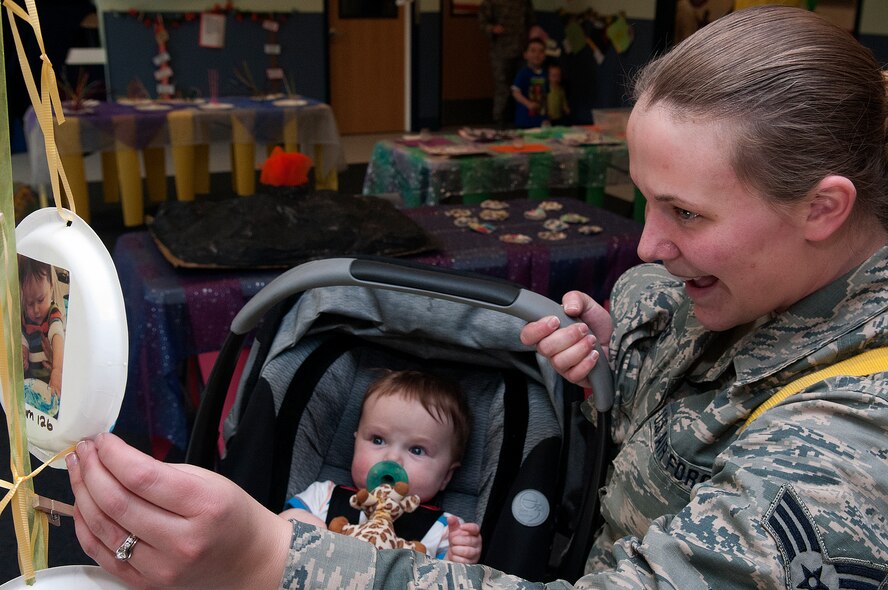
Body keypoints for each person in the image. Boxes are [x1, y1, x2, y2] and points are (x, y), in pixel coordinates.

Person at [67, 7, 888, 589]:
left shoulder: (849, 453)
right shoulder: (674, 291)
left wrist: (267, 562)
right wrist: (615, 362)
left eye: (686, 213)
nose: (644, 247)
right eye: (644, 200)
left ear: (823, 208)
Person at [278, 369, 481, 563]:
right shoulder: (324, 496)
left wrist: (456, 558)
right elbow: (280, 526)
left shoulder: (446, 530)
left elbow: (447, 580)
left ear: (446, 475)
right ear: (355, 443)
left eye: (417, 450)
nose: (392, 458)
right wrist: (313, 531)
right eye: (378, 440)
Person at [478, 0, 545, 128]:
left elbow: (532, 22)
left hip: (523, 51)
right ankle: (500, 121)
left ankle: (524, 119)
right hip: (501, 50)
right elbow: (483, 22)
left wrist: (533, 46)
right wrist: (492, 28)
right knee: (502, 87)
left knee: (525, 85)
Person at [19, 256, 65, 397]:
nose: (36, 310)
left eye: (40, 300)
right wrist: (24, 354)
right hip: (32, 381)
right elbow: (24, 339)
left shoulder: (52, 313)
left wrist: (57, 370)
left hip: (51, 381)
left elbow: (57, 335)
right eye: (29, 303)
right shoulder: (27, 318)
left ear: (51, 288)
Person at [510, 37, 547, 129]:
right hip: (525, 120)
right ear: (525, 55)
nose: (537, 55)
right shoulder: (523, 73)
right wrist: (528, 104)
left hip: (542, 120)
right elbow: (515, 92)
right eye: (533, 51)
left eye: (541, 51)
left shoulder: (546, 73)